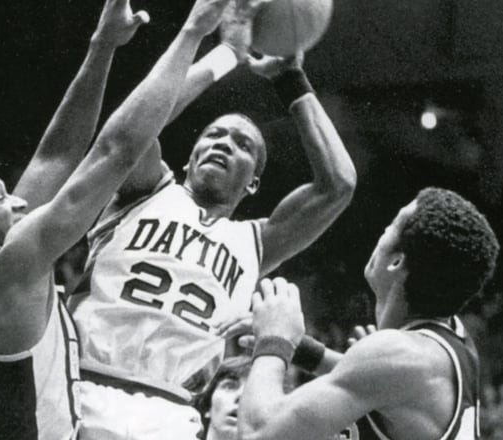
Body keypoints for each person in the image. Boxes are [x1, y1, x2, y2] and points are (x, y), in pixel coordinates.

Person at [0, 0, 232, 438]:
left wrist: (103, 46)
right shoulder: (7, 271)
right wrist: (193, 31)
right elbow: (116, 151)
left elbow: (56, 154)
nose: (19, 203)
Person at [66, 0, 356, 437]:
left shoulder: (257, 242)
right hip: (83, 385)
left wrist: (291, 80)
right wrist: (223, 58)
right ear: (188, 159)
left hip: (172, 410)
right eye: (214, 135)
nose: (223, 143)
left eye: (242, 145)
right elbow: (138, 125)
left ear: (254, 184)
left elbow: (338, 184)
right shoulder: (146, 189)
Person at [240, 187, 500, 439]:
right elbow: (376, 379)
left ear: (396, 261)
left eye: (392, 225)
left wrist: (274, 342)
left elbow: (258, 433)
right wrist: (304, 351)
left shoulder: (400, 354)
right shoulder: (449, 343)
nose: (383, 230)